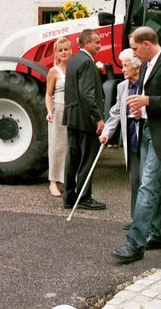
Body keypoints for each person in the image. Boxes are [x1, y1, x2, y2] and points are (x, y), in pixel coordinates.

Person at [111, 26, 161, 263]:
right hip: (147, 129)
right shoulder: (146, 65)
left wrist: (148, 101)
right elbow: (153, 101)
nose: (134, 55)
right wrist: (142, 111)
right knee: (158, 186)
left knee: (147, 187)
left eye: (135, 49)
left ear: (147, 44)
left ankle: (135, 245)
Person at [62, 29, 106, 210]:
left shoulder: (73, 60)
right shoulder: (87, 62)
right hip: (85, 118)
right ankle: (84, 197)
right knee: (88, 158)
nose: (99, 46)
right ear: (86, 43)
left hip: (72, 116)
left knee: (73, 157)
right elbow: (87, 94)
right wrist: (98, 118)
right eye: (96, 42)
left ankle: (69, 196)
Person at [99, 49, 142, 229]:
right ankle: (136, 220)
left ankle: (148, 222)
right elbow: (116, 112)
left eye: (125, 65)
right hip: (130, 137)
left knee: (147, 182)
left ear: (135, 67)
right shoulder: (122, 86)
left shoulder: (147, 83)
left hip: (145, 136)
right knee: (135, 181)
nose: (122, 69)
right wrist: (107, 132)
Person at [45, 37, 72, 197]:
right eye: (60, 50)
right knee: (57, 145)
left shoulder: (75, 69)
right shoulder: (54, 71)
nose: (63, 52)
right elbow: (48, 95)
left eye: (66, 49)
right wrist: (49, 111)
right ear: (56, 53)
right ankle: (53, 182)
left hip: (72, 110)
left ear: (71, 51)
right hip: (58, 110)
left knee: (70, 145)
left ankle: (67, 178)